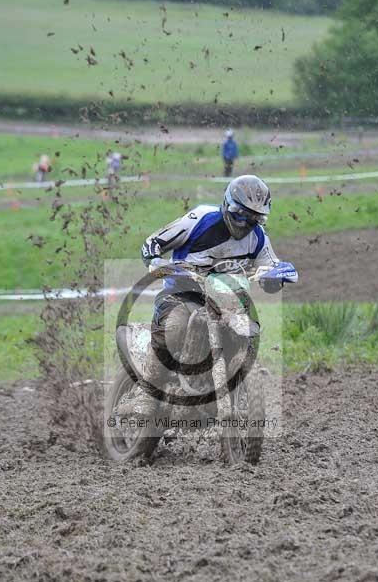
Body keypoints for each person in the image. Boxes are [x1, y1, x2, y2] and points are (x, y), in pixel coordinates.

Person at [118, 175, 296, 417]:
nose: (245, 223)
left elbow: (270, 269)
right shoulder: (200, 219)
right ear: (227, 204)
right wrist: (156, 260)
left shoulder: (259, 238)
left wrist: (277, 277)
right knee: (176, 327)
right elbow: (154, 242)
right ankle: (145, 395)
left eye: (253, 217)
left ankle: (223, 387)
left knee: (249, 331)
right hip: (183, 292)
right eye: (241, 214)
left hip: (228, 300)